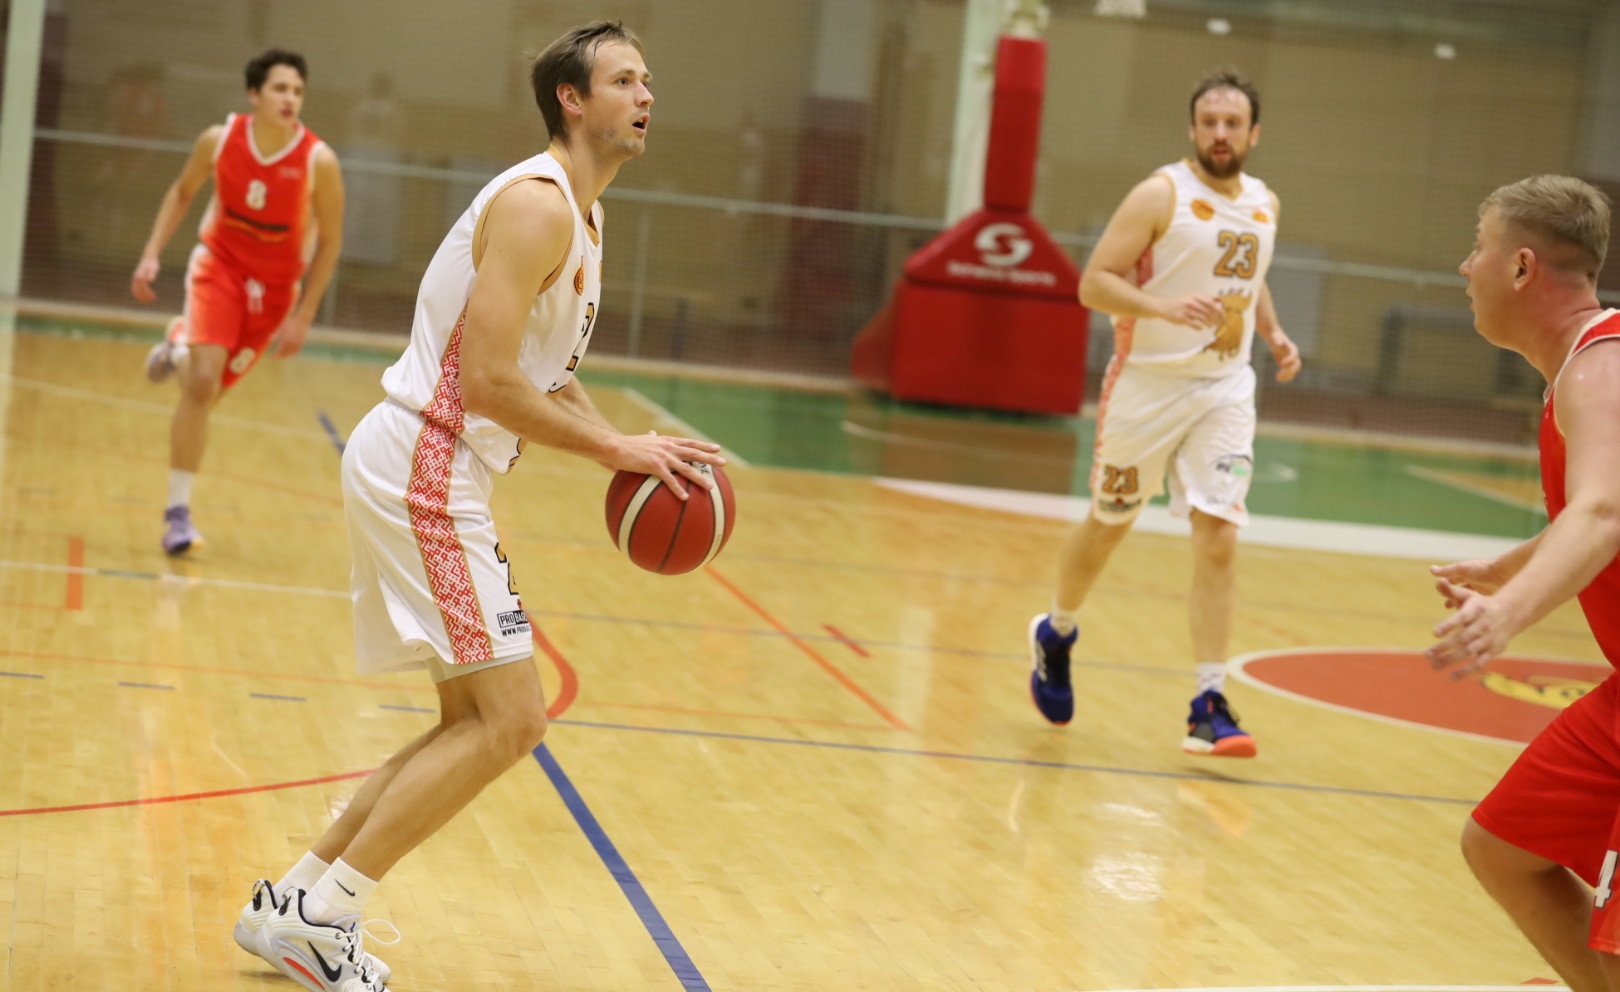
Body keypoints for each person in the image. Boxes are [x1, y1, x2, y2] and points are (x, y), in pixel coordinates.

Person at [231, 23, 723, 992]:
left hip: (433, 465)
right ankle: (325, 921)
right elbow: (489, 381)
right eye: (624, 80)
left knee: (469, 720)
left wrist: (628, 446)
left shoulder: (582, 215)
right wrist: (617, 451)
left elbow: (546, 372)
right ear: (572, 100)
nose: (645, 95)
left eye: (647, 80)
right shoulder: (538, 206)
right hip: (427, 462)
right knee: (513, 721)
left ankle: (292, 902)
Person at [1025, 68, 1301, 757]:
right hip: (1147, 386)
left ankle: (1209, 703)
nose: (1219, 133)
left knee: (1219, 536)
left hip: (1225, 388)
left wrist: (1272, 332)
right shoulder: (1161, 195)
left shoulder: (1264, 201)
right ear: (1192, 129)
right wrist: (1161, 307)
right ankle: (1057, 631)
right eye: (1209, 122)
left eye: (1232, 123)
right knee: (1110, 524)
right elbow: (1094, 284)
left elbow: (1250, 276)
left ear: (1254, 134)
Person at [1429, 175, 1620, 992]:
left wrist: (1507, 612)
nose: (1464, 265)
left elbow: (1604, 513)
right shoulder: (1584, 368)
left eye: (1478, 246)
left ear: (1521, 267)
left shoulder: (1600, 371)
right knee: (1504, 847)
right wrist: (1513, 567)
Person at [130, 48, 345, 555]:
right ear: (254, 94)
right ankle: (177, 517)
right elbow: (182, 192)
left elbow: (331, 241)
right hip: (220, 268)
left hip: (274, 294)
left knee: (205, 395)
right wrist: (151, 255)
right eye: (280, 88)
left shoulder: (318, 161)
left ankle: (177, 347)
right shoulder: (220, 139)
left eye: (298, 91)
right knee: (202, 384)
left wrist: (304, 316)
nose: (290, 98)